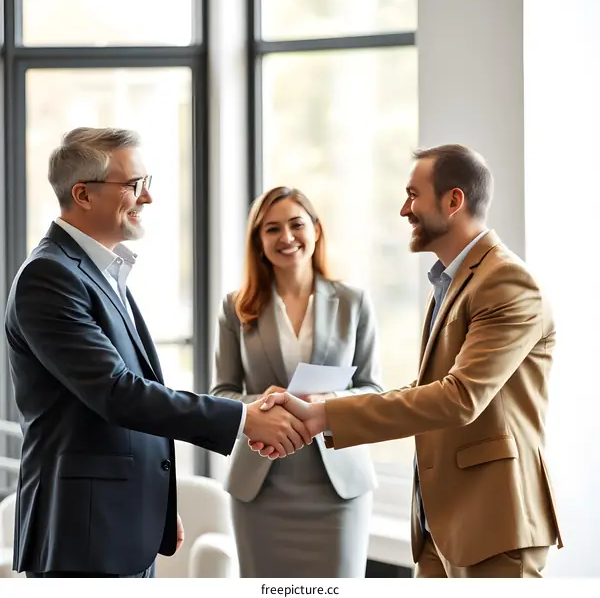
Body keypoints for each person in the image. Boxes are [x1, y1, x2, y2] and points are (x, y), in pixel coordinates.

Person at [4, 128, 311, 578]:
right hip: (82, 536)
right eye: (134, 185)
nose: (147, 198)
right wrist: (245, 419)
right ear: (83, 195)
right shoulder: (49, 277)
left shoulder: (101, 270)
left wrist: (152, 503)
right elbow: (118, 393)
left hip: (117, 522)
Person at [254, 144, 563, 578]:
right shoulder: (452, 282)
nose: (404, 209)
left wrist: (323, 414)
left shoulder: (506, 282)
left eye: (413, 195)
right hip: (442, 526)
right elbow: (427, 393)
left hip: (496, 525)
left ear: (453, 201)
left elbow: (459, 399)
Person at [210, 186, 382, 578]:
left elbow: (374, 389)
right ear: (258, 241)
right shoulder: (236, 307)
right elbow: (220, 394)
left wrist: (328, 402)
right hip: (261, 486)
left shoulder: (353, 301)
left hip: (338, 486)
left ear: (316, 230)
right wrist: (265, 403)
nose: (286, 238)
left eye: (296, 225)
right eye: (272, 229)